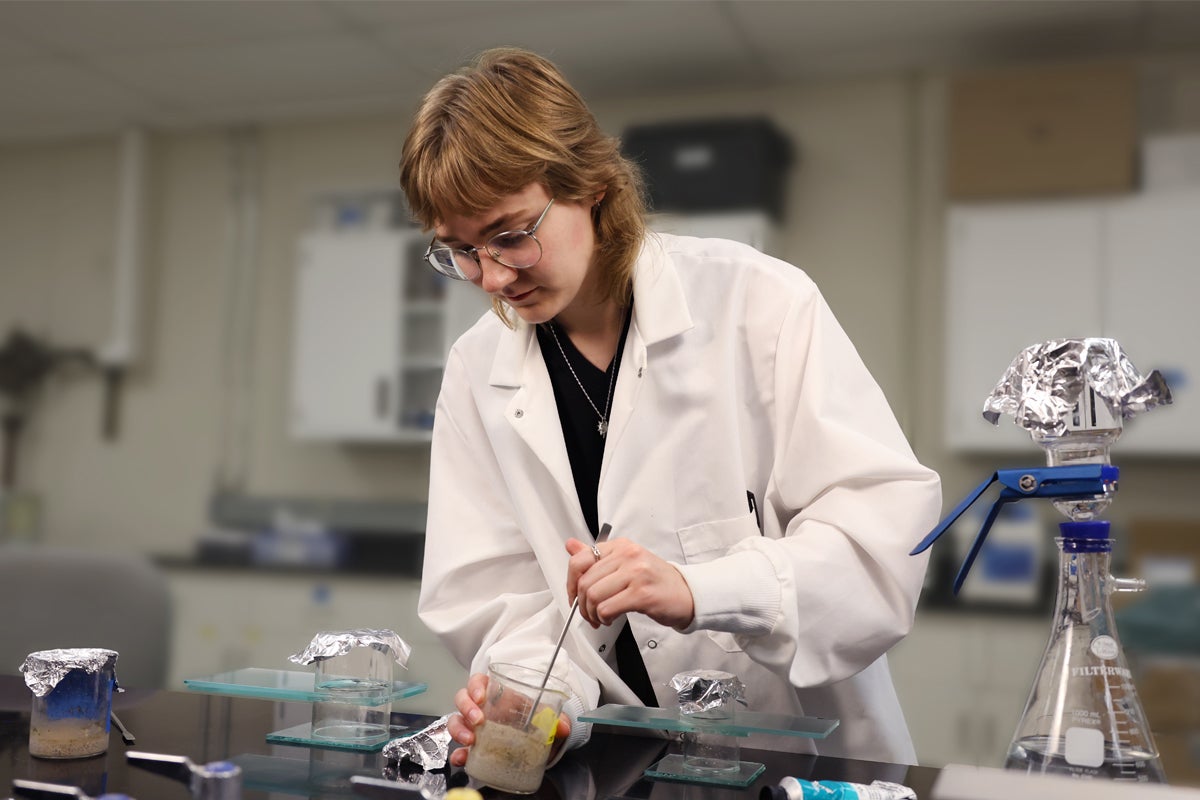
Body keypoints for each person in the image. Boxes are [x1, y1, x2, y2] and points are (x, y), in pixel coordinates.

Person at [401, 47, 942, 768]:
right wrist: (536, 700)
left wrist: (700, 589)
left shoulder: (760, 303)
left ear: (591, 185)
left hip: (798, 763)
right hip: (616, 767)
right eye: (459, 252)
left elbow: (877, 548)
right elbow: (496, 593)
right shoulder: (477, 369)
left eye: (511, 235)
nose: (493, 277)